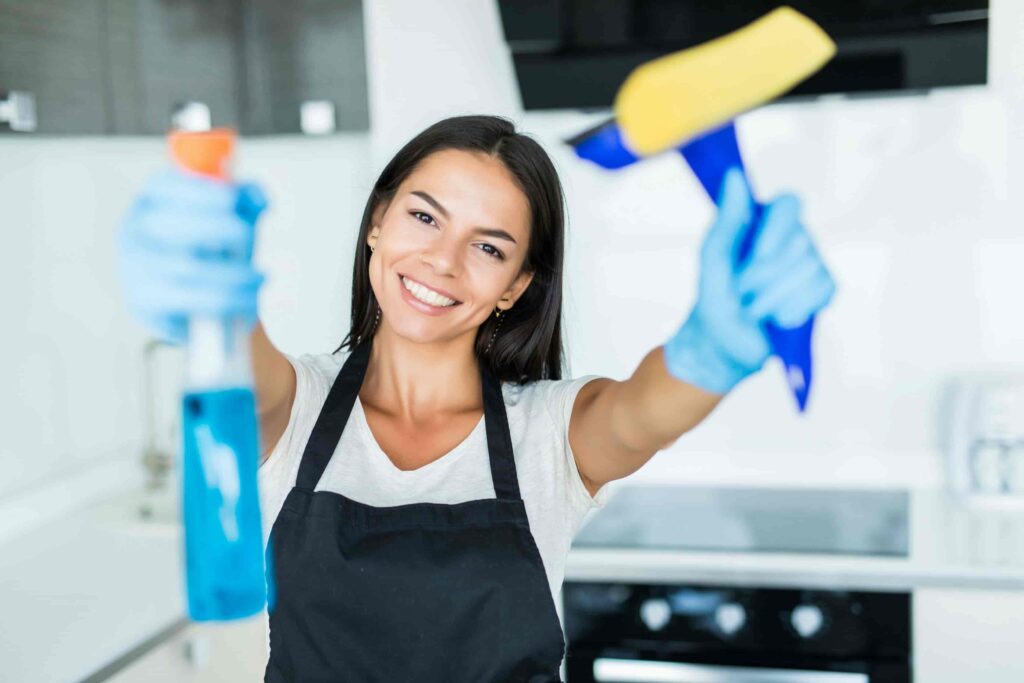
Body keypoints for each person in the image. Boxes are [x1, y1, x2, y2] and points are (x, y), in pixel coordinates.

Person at [118, 115, 835, 682]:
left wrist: (711, 350)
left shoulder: (547, 435)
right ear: (378, 223)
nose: (442, 260)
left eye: (489, 247)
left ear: (516, 287)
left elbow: (641, 413)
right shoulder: (295, 408)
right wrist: (210, 297)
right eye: (424, 217)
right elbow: (242, 365)